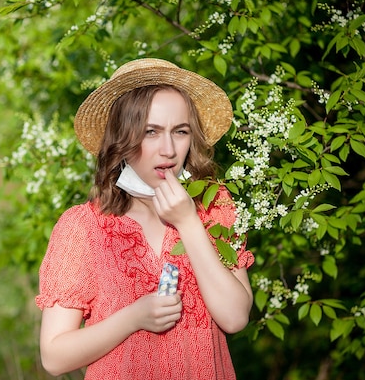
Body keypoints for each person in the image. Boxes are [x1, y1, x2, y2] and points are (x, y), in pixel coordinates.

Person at [35, 58, 254, 380]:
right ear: (122, 140)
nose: (168, 149)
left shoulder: (213, 207)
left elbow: (235, 318)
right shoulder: (82, 227)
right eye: (151, 132)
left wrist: (188, 222)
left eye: (180, 132)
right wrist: (133, 318)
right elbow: (54, 357)